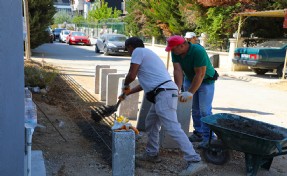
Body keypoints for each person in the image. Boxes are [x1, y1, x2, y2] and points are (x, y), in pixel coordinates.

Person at [119, 37, 206, 175]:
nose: (129, 53)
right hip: (163, 92)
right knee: (151, 123)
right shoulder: (147, 57)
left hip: (164, 94)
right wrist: (128, 93)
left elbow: (131, 74)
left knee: (172, 127)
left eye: (128, 49)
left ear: (130, 47)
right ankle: (151, 153)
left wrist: (125, 85)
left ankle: (194, 159)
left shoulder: (138, 51)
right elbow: (145, 84)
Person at [165, 35, 217, 148]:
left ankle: (209, 138)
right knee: (195, 109)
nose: (172, 51)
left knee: (204, 110)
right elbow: (177, 70)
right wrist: (177, 88)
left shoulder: (198, 51)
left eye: (173, 49)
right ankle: (199, 133)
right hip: (189, 78)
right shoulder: (176, 52)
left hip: (206, 80)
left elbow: (200, 74)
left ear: (182, 45)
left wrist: (190, 92)